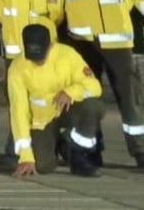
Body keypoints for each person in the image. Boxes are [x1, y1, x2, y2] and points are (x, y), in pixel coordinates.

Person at [56, 0, 144, 166]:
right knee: (85, 95)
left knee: (129, 97)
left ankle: (139, 149)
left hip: (116, 39)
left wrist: (114, 18)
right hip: (82, 40)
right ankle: (91, 147)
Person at [9, 24, 103, 178]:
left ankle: (79, 156)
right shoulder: (17, 67)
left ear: (50, 45)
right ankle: (59, 143)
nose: (37, 62)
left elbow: (94, 87)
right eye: (32, 57)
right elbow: (18, 111)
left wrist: (71, 92)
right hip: (42, 120)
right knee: (41, 166)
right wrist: (25, 156)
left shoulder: (68, 55)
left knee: (92, 107)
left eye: (41, 56)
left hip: (68, 110)